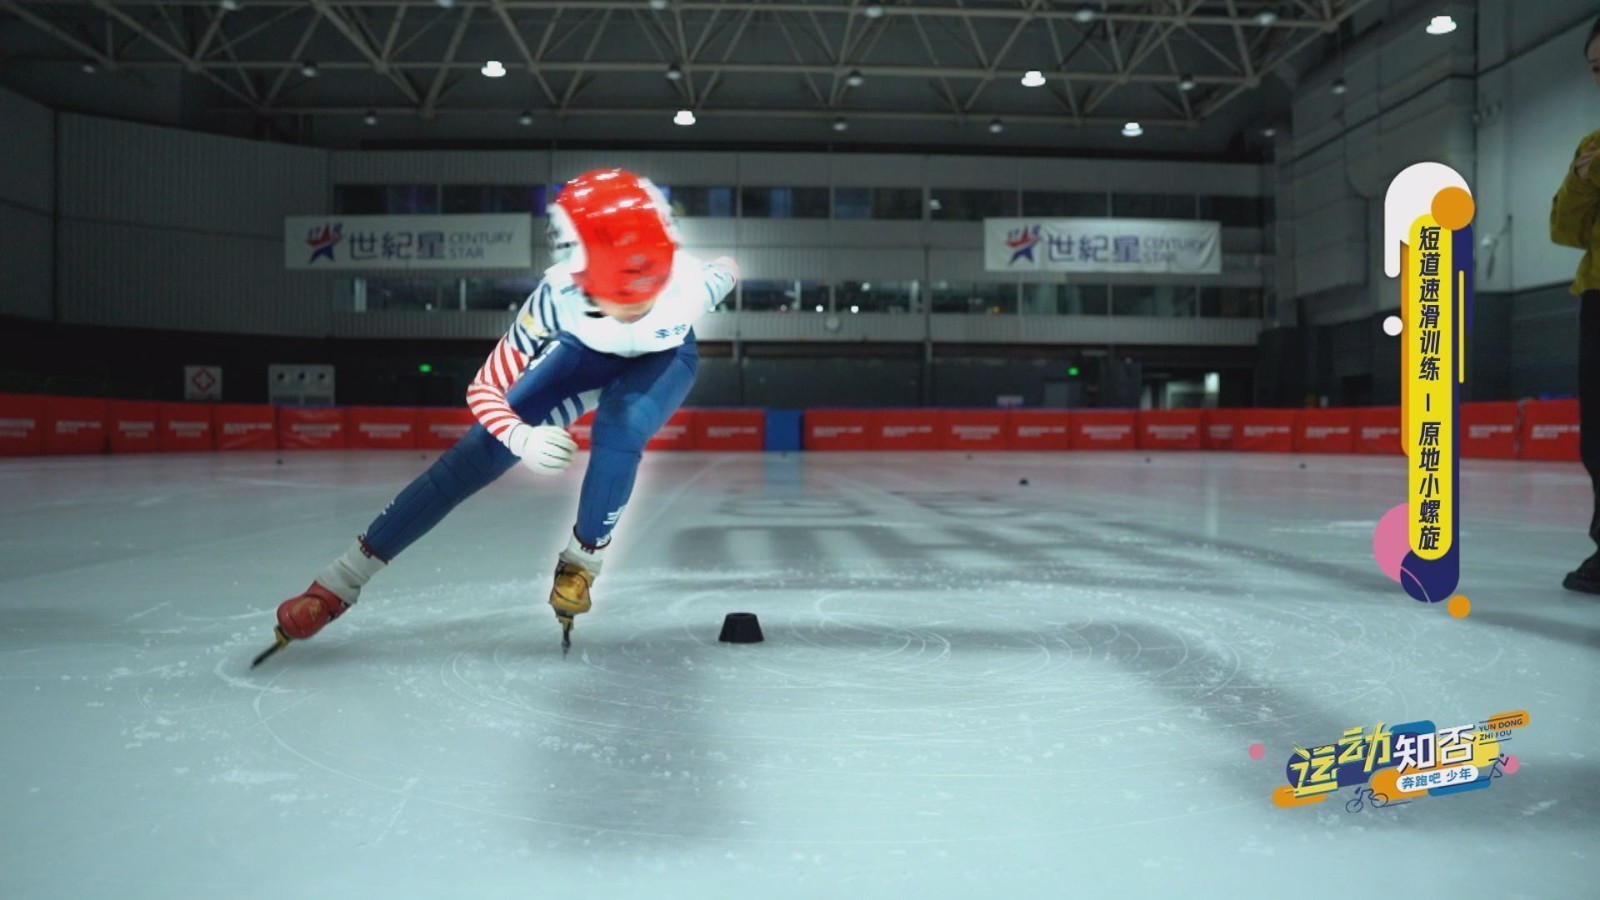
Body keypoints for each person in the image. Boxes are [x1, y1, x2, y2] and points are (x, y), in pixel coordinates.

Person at [267, 169, 739, 650]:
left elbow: (727, 268)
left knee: (621, 429)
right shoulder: (556, 298)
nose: (634, 308)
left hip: (662, 361)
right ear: (580, 275)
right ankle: (339, 582)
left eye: (648, 291)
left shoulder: (691, 287)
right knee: (473, 456)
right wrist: (521, 437)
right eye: (615, 297)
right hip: (583, 357)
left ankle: (582, 561)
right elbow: (483, 390)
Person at [1552, 16, 1600, 593]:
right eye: (1595, 70)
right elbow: (1565, 230)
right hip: (1596, 295)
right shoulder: (1591, 147)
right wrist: (1586, 183)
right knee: (1598, 435)